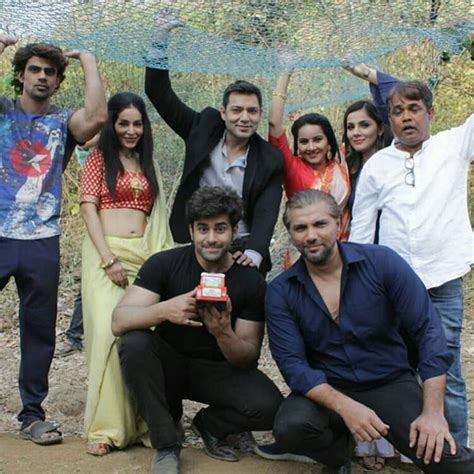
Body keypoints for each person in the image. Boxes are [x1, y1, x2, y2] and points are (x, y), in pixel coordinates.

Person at [257, 189, 474, 474]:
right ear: (290, 233)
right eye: (300, 227)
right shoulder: (281, 291)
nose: (310, 235)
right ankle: (338, 457)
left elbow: (428, 332)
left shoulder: (382, 262)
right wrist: (347, 408)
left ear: (338, 224)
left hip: (389, 382)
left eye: (320, 224)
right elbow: (293, 366)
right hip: (329, 387)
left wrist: (433, 413)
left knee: (444, 459)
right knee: (291, 427)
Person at [113, 186, 283, 474]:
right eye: (203, 229)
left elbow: (247, 357)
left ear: (234, 231)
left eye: (220, 229)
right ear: (191, 230)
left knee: (272, 408)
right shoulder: (165, 264)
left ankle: (210, 424)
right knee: (134, 343)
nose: (212, 239)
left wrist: (223, 332)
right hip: (170, 367)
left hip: (218, 371)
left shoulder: (250, 281)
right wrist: (165, 310)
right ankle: (166, 444)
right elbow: (119, 321)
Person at [350, 79, 473, 448]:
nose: (406, 118)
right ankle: (408, 448)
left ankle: (457, 454)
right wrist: (357, 287)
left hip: (444, 279)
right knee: (396, 368)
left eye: (414, 109)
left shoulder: (453, 146)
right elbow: (361, 231)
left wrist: (377, 73)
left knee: (446, 369)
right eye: (398, 111)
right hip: (393, 289)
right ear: (389, 119)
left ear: (430, 113)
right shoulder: (376, 167)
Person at [0, 35, 106, 444]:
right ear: (21, 76)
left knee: (39, 330)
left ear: (59, 81)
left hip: (42, 240)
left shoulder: (63, 122)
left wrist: (89, 61)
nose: (42, 77)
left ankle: (31, 416)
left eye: (50, 72)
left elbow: (95, 117)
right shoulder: (4, 111)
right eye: (35, 70)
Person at [144, 15, 284, 275]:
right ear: (223, 112)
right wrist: (160, 38)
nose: (244, 118)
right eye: (237, 110)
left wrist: (254, 253)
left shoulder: (270, 158)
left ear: (260, 114)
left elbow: (267, 214)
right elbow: (158, 91)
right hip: (196, 241)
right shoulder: (202, 128)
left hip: (242, 245)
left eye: (252, 111)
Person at [80, 92, 173, 455]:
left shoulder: (146, 163)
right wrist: (108, 259)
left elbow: (156, 217)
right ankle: (107, 429)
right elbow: (89, 210)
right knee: (108, 335)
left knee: (141, 339)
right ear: (112, 125)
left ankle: (143, 423)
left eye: (137, 124)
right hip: (107, 258)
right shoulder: (98, 160)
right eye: (124, 123)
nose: (131, 130)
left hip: (143, 260)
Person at [56, 133, 100, 357]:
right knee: (87, 285)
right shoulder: (90, 156)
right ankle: (74, 335)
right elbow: (84, 142)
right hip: (98, 231)